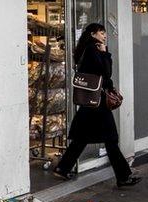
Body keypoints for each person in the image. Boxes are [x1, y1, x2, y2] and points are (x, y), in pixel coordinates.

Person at [53, 23, 141, 187]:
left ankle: (62, 168)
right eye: (101, 32)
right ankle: (123, 177)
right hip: (98, 102)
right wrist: (105, 53)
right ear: (93, 34)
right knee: (111, 139)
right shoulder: (94, 50)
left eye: (104, 33)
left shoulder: (85, 49)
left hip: (91, 101)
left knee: (82, 138)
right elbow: (106, 73)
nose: (104, 35)